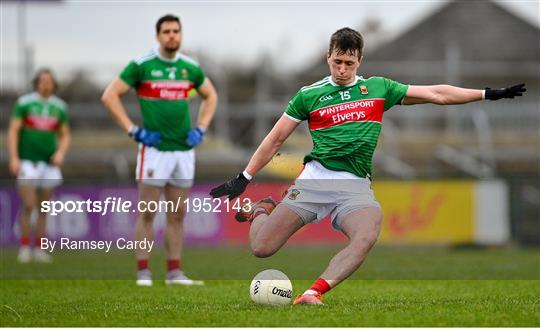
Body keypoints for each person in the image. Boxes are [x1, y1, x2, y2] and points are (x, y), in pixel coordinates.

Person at [210, 27, 526, 305]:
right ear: (328, 57)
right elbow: (275, 139)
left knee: (367, 233)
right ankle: (265, 209)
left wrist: (488, 93)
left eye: (349, 62)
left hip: (355, 185)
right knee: (262, 249)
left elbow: (436, 94)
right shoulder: (309, 95)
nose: (343, 68)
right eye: (337, 61)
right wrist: (244, 177)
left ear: (359, 60)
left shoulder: (378, 88)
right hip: (314, 181)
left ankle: (313, 292)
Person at [102, 14, 218, 286]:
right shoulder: (142, 65)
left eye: (176, 31)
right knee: (147, 212)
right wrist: (134, 130)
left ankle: (174, 272)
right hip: (154, 150)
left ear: (181, 35)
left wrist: (201, 127)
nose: (171, 36)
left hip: (183, 151)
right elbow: (109, 95)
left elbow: (211, 96)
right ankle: (143, 271)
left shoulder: (190, 68)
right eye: (166, 31)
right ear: (158, 36)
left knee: (177, 214)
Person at [7, 68, 71, 264]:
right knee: (28, 205)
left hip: (49, 164)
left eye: (49, 81)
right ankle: (25, 247)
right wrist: (14, 158)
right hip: (28, 162)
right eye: (42, 80)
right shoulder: (25, 103)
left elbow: (65, 135)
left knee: (43, 208)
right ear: (36, 83)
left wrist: (60, 153)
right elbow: (13, 131)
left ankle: (40, 249)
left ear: (54, 84)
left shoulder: (59, 107)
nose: (45, 84)